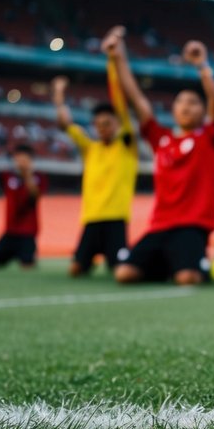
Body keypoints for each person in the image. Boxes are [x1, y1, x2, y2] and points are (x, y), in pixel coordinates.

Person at [114, 40, 214, 285]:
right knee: (125, 274)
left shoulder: (210, 138)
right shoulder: (161, 138)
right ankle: (171, 264)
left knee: (187, 278)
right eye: (181, 102)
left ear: (202, 111)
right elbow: (135, 97)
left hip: (192, 226)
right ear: (173, 109)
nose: (186, 106)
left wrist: (202, 65)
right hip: (160, 225)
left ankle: (198, 267)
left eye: (193, 102)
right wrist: (119, 57)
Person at [52, 27, 139, 277]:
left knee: (121, 270)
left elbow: (121, 104)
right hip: (91, 219)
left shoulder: (126, 145)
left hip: (115, 220)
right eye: (98, 125)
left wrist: (113, 61)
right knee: (76, 269)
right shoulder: (91, 148)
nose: (102, 129)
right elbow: (66, 124)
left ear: (116, 124)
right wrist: (59, 96)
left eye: (107, 124)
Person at [0, 145, 46, 269]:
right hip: (10, 231)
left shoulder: (39, 177)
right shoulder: (8, 176)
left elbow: (35, 195)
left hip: (27, 232)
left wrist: (27, 175)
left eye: (23, 159)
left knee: (27, 266)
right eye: (17, 159)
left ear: (30, 161)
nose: (20, 162)